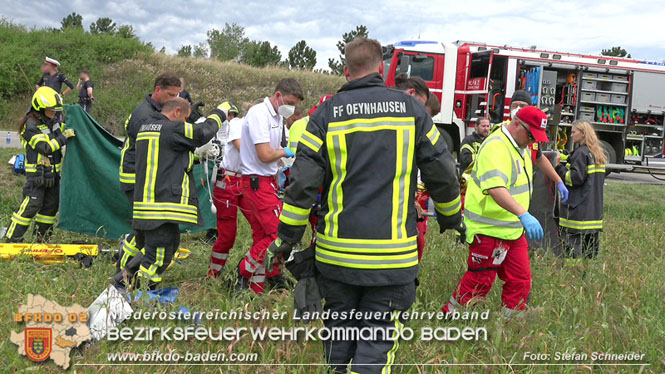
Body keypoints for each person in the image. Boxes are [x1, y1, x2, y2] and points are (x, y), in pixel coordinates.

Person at [266, 37, 463, 374]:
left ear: (345, 71)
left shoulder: (325, 114)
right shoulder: (412, 110)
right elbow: (443, 173)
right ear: (382, 69)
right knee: (375, 349)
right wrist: (450, 216)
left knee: (338, 345)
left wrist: (286, 237)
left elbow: (301, 184)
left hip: (336, 257)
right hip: (391, 260)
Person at [443, 106, 549, 318]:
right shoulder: (496, 147)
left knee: (521, 278)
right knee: (480, 279)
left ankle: (510, 323)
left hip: (511, 228)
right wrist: (523, 214)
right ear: (517, 124)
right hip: (489, 227)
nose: (531, 141)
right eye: (530, 135)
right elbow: (495, 188)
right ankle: (451, 316)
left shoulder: (520, 144)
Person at [115, 98, 224, 289]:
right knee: (158, 254)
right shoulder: (171, 128)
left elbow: (168, 159)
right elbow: (203, 132)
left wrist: (195, 157)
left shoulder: (147, 126)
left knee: (162, 244)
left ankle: (122, 279)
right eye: (185, 118)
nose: (185, 123)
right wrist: (221, 113)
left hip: (147, 204)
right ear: (176, 112)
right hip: (160, 206)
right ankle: (141, 293)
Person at [235, 78, 304, 293]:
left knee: (262, 235)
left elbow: (273, 155)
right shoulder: (259, 114)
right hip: (257, 182)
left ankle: (259, 282)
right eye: (289, 102)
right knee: (277, 234)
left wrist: (284, 159)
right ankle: (243, 272)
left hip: (267, 181)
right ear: (278, 96)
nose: (291, 108)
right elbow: (265, 154)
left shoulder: (277, 118)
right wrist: (285, 152)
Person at [116, 72, 181, 273]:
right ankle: (123, 269)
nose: (174, 100)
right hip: (136, 179)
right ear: (157, 90)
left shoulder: (156, 111)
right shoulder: (144, 115)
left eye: (177, 96)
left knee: (143, 230)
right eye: (171, 95)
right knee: (144, 231)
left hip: (144, 177)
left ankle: (124, 267)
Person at [4, 87, 76, 242]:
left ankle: (42, 240)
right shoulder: (30, 126)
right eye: (50, 110)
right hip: (37, 176)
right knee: (32, 205)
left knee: (50, 207)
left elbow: (63, 129)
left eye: (55, 110)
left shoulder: (52, 121)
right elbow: (45, 147)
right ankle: (11, 239)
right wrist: (64, 137)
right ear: (40, 108)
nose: (54, 113)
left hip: (53, 175)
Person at [208, 102, 257, 278]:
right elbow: (242, 148)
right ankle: (213, 273)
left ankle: (252, 270)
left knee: (262, 227)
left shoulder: (262, 130)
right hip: (229, 182)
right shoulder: (238, 124)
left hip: (247, 182)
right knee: (228, 235)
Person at [498, 90, 569, 204]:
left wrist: (558, 180)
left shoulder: (531, 132)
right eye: (515, 105)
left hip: (522, 199)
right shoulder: (502, 134)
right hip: (505, 198)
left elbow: (539, 158)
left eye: (522, 106)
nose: (518, 109)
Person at [555, 121, 606, 259]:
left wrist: (559, 167)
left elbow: (574, 178)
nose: (571, 135)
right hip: (593, 215)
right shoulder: (597, 154)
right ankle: (588, 278)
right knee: (590, 253)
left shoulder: (581, 153)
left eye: (573, 132)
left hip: (577, 214)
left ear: (583, 134)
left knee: (572, 253)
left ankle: (572, 277)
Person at [459, 117, 491, 204]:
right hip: (468, 181)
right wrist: (484, 157)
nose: (486, 129)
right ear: (476, 126)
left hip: (485, 182)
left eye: (488, 126)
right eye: (483, 126)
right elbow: (465, 159)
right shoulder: (468, 140)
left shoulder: (490, 141)